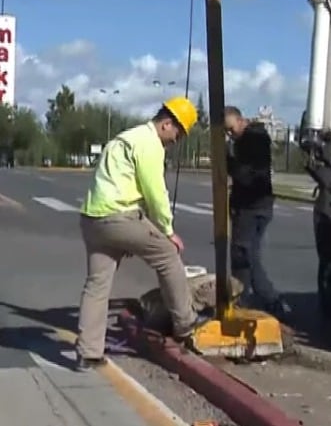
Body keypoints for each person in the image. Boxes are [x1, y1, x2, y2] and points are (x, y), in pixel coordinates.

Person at [75, 97, 207, 371]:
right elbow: (155, 192)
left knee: (97, 284)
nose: (177, 140)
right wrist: (167, 230)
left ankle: (88, 353)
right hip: (117, 216)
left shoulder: (126, 137)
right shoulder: (149, 144)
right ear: (166, 123)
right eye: (178, 133)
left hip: (92, 219)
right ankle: (185, 323)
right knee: (169, 255)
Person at [224, 106, 291, 319]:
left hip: (251, 208)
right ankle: (240, 301)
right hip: (254, 206)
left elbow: (246, 175)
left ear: (240, 121)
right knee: (241, 255)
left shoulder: (252, 140)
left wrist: (228, 161)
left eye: (231, 129)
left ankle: (273, 301)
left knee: (246, 256)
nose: (230, 134)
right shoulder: (252, 138)